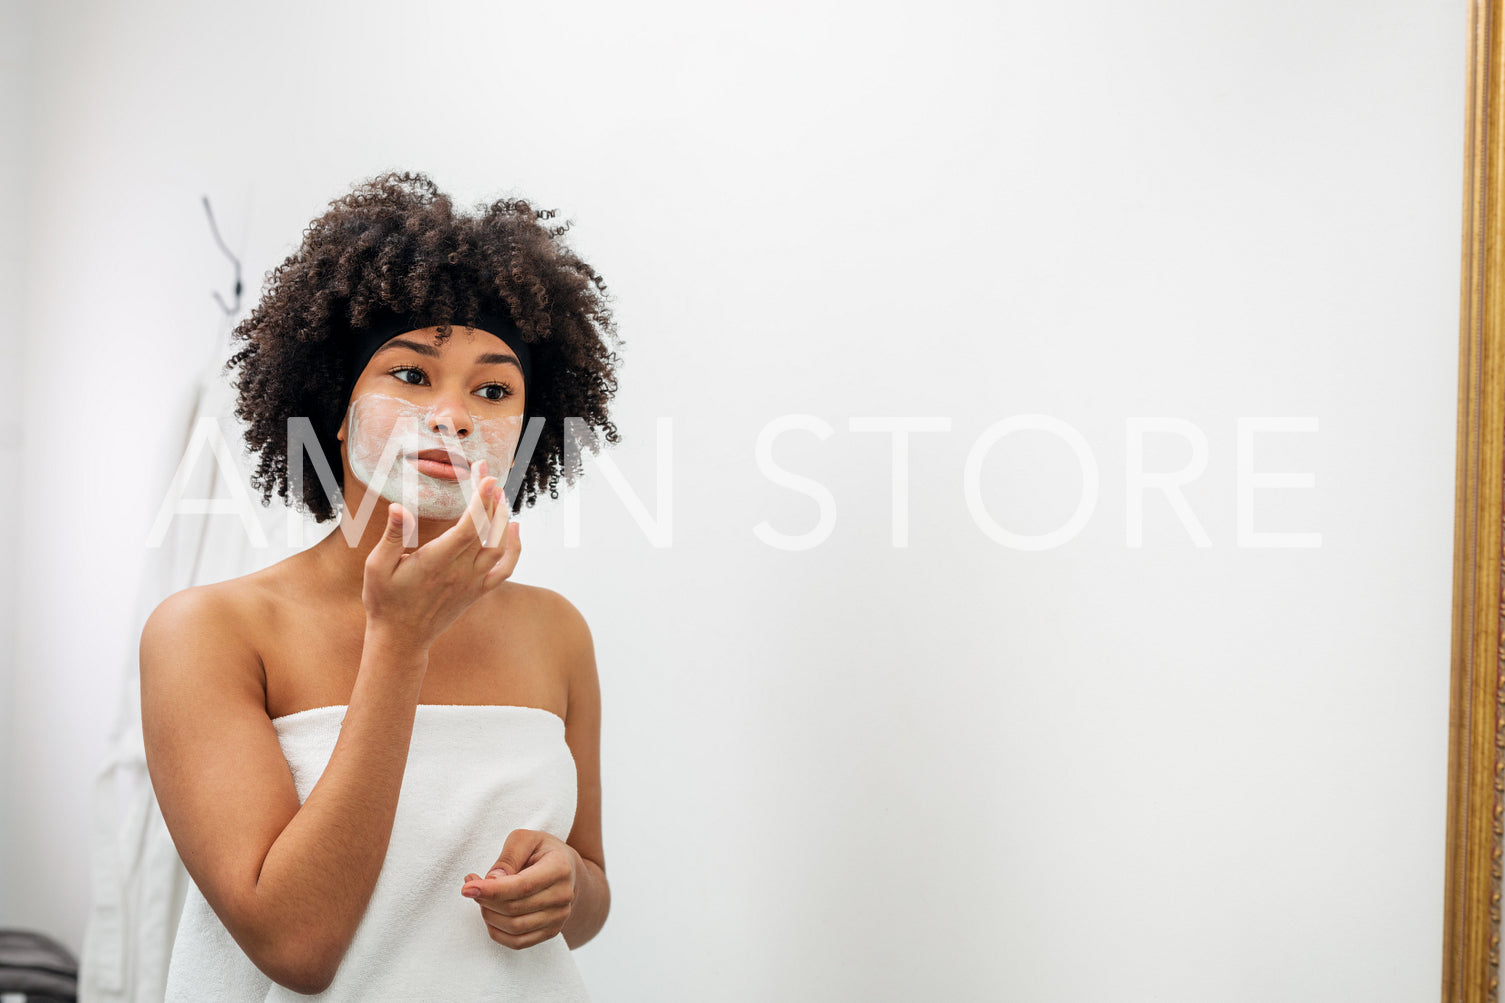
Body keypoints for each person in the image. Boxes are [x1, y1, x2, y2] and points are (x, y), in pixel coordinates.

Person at [140, 171, 623, 999]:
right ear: (335, 403)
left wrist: (569, 888)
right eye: (410, 374)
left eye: (493, 388)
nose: (454, 413)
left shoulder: (556, 631)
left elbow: (590, 895)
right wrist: (398, 640)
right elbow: (296, 945)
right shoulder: (211, 631)